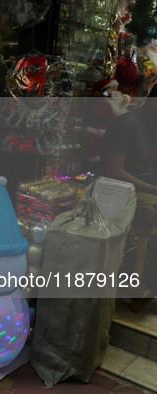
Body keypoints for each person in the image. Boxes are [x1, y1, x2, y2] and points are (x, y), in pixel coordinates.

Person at [101, 83, 157, 300]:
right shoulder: (126, 125)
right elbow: (114, 171)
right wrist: (154, 189)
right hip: (125, 189)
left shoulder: (151, 126)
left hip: (147, 188)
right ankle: (147, 285)